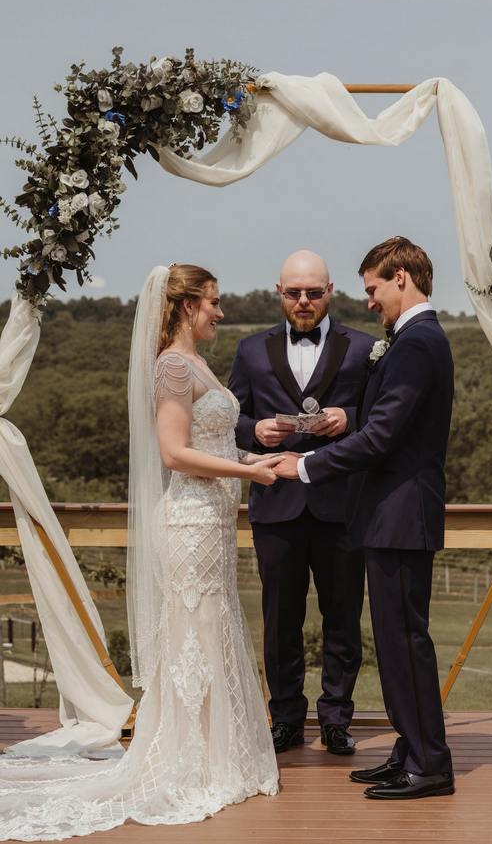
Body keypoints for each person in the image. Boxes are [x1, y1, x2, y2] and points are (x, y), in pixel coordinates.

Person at [0, 264, 280, 840]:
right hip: (190, 522)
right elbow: (175, 452)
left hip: (214, 524)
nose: (220, 313)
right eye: (213, 303)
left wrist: (253, 461)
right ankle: (193, 758)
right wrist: (247, 475)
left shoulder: (196, 363)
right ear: (185, 307)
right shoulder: (174, 366)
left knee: (214, 628)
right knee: (195, 632)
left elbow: (214, 440)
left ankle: (215, 754)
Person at [274, 237, 455, 801]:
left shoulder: (419, 342)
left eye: (373, 288)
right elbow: (379, 422)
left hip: (402, 514)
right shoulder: (410, 340)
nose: (370, 301)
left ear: (401, 278)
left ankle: (430, 764)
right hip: (389, 515)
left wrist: (305, 465)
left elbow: (380, 436)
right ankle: (408, 750)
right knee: (397, 641)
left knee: (405, 641)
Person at [228, 251, 375, 755]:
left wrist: (350, 416)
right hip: (276, 504)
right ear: (279, 292)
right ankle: (286, 718)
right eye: (295, 293)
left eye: (314, 292)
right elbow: (228, 418)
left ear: (330, 290)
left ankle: (336, 719)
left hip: (344, 506)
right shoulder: (250, 350)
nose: (304, 301)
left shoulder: (365, 348)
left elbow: (387, 416)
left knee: (342, 618)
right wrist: (254, 429)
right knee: (280, 621)